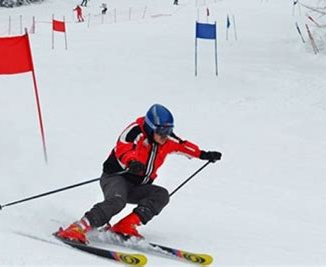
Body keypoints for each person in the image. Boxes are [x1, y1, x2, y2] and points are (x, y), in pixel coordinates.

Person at [55, 104, 222, 244]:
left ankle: (125, 226)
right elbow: (123, 148)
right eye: (161, 131)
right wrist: (131, 162)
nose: (165, 136)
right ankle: (78, 228)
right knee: (117, 201)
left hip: (138, 186)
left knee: (161, 195)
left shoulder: (166, 140)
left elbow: (183, 146)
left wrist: (204, 154)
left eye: (168, 131)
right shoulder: (135, 132)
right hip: (116, 177)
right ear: (151, 127)